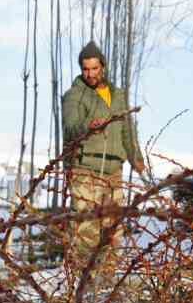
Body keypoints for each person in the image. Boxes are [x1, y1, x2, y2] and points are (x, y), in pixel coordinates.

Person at [61, 40, 146, 269]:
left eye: (94, 68)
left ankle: (106, 286)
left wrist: (135, 156)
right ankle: (81, 284)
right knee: (86, 232)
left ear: (103, 67)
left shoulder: (118, 95)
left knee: (113, 231)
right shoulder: (74, 96)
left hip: (113, 172)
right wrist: (89, 125)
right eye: (85, 69)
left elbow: (127, 128)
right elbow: (70, 127)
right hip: (84, 170)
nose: (90, 74)